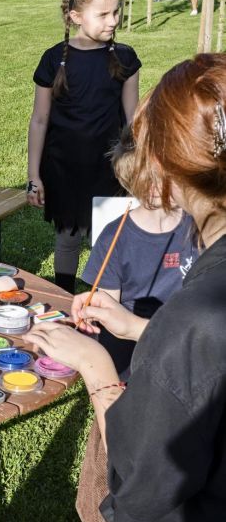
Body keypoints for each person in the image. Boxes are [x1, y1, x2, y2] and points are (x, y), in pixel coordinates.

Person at [28, 53, 226, 522]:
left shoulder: (195, 317)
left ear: (167, 166)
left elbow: (139, 478)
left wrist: (95, 366)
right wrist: (140, 330)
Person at [26, 0, 141, 293]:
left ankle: (105, 303)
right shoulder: (53, 60)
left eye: (116, 11)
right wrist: (34, 175)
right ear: (76, 16)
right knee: (68, 237)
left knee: (108, 239)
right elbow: (39, 120)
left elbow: (133, 119)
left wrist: (138, 166)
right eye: (103, 14)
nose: (113, 21)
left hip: (109, 169)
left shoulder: (125, 59)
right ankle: (64, 297)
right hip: (64, 168)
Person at [81, 126, 197, 377]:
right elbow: (108, 310)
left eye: (167, 178)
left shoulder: (197, 225)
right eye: (147, 182)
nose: (157, 188)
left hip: (184, 342)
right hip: (129, 349)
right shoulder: (114, 238)